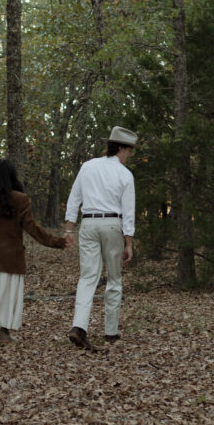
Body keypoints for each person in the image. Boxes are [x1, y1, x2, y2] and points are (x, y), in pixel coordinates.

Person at [0, 158, 67, 343]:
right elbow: (32, 228)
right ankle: (4, 332)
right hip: (11, 258)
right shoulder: (20, 199)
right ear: (12, 177)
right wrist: (57, 242)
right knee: (9, 295)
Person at [64, 125, 137, 350]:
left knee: (88, 277)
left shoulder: (88, 167)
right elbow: (128, 210)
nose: (130, 155)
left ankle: (79, 327)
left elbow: (74, 198)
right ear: (122, 148)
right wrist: (129, 242)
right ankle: (111, 331)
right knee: (113, 278)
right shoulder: (125, 174)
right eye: (130, 151)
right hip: (112, 224)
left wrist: (69, 229)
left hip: (88, 223)